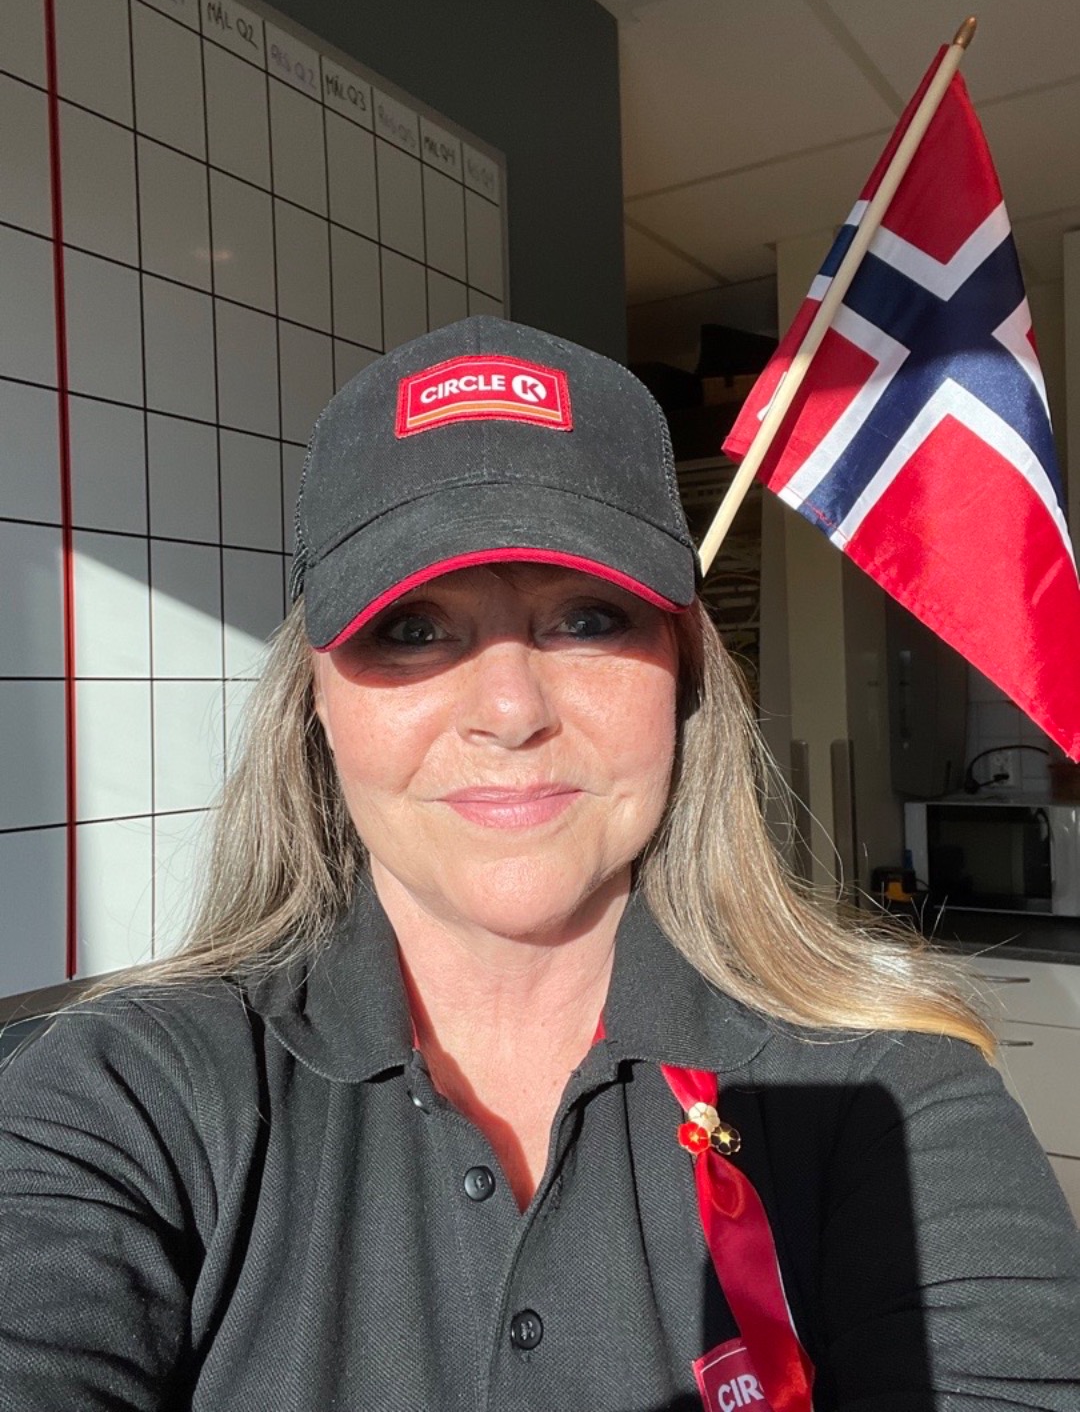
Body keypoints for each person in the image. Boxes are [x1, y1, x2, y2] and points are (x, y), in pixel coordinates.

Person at [0, 316, 1077, 1412]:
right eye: (413, 628)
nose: (511, 711)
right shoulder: (128, 1096)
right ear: (316, 700)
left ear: (683, 678)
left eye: (588, 619)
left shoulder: (891, 1096)